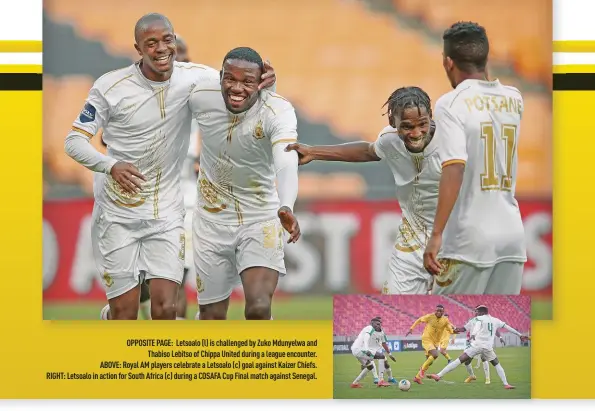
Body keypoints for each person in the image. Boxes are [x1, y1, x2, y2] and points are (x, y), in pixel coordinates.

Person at [65, 14, 277, 320]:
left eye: (167, 39)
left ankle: (161, 368)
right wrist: (111, 166)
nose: (161, 48)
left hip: (166, 213)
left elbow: (240, 89)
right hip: (117, 213)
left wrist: (266, 83)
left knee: (167, 308)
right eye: (151, 43)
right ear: (137, 48)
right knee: (125, 314)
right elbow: (74, 142)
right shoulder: (110, 87)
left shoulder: (196, 78)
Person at [286, 86, 437, 294]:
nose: (416, 133)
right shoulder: (389, 140)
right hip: (413, 239)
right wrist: (314, 152)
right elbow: (368, 151)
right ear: (393, 124)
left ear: (431, 117)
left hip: (453, 238)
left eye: (422, 124)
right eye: (407, 126)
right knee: (394, 307)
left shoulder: (450, 141)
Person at [189, 47, 301, 320]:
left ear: (261, 82)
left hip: (259, 218)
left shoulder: (278, 110)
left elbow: (287, 160)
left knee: (259, 308)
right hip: (210, 222)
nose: (237, 88)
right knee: (212, 316)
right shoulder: (201, 97)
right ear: (220, 77)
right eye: (230, 79)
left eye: (248, 81)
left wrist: (286, 204)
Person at [423, 21, 527, 294]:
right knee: (497, 326)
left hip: (468, 241)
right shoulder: (515, 99)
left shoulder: (452, 102)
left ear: (448, 63)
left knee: (446, 327)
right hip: (512, 237)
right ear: (486, 57)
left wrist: (436, 235)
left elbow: (455, 166)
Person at [429, 305, 528, 389]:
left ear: (481, 312)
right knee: (497, 364)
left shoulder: (477, 319)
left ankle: (438, 375)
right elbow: (507, 327)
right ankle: (506, 384)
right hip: (488, 348)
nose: (475, 313)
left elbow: (462, 329)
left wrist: (452, 327)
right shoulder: (495, 320)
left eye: (476, 311)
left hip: (476, 345)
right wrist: (519, 335)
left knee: (459, 361)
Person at [405, 304, 455, 384]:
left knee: (429, 361)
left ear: (443, 312)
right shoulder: (430, 316)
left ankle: (417, 378)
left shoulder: (445, 320)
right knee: (435, 354)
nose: (438, 312)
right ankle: (421, 370)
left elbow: (450, 329)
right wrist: (411, 328)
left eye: (440, 311)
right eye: (437, 310)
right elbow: (419, 320)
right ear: (435, 310)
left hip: (435, 342)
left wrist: (455, 331)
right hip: (427, 339)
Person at [350, 317, 396, 388]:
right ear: (372, 323)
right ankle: (381, 380)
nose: (379, 325)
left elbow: (383, 343)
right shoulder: (370, 328)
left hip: (355, 350)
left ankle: (355, 383)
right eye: (377, 324)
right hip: (360, 349)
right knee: (381, 356)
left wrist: (389, 354)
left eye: (380, 324)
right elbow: (366, 337)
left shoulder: (377, 331)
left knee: (370, 366)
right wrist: (366, 349)